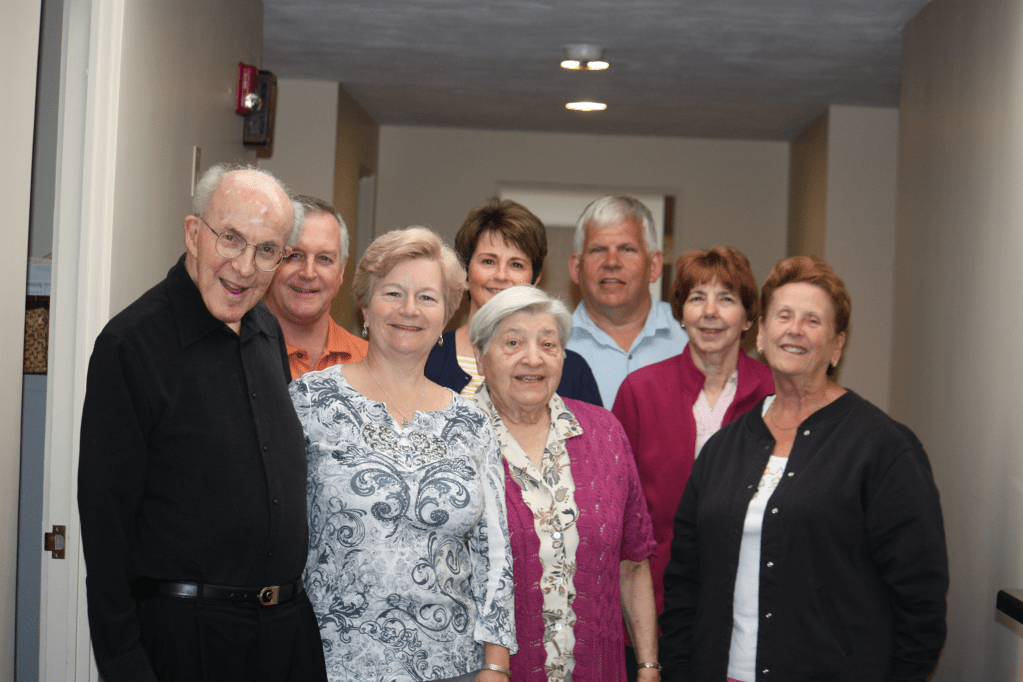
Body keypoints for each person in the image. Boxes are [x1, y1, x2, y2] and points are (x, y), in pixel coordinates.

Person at [77, 164, 327, 682]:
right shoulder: (130, 346)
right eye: (231, 239)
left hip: (284, 638)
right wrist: (122, 662)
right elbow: (105, 523)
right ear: (194, 234)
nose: (244, 267)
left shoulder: (266, 332)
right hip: (184, 643)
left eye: (266, 250)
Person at [659, 255, 948, 682]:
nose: (794, 329)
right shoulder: (724, 449)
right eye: (783, 316)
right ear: (761, 333)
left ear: (836, 345)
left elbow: (919, 598)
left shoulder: (884, 448)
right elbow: (685, 581)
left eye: (812, 320)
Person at [290, 227, 516, 682]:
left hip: (452, 667)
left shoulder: (471, 422)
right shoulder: (308, 401)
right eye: (393, 293)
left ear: (446, 315)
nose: (410, 309)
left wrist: (495, 667)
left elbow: (495, 556)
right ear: (365, 306)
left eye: (427, 298)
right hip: (330, 663)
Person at [470, 285, 659, 682]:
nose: (533, 358)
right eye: (513, 342)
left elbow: (633, 563)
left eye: (549, 344)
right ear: (480, 358)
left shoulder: (605, 432)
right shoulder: (454, 439)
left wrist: (647, 666)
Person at [613, 246, 774, 676]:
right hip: (659, 613)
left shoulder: (776, 394)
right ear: (680, 312)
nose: (710, 313)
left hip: (758, 611)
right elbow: (618, 514)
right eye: (697, 297)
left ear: (748, 317)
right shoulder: (639, 391)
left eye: (727, 299)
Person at [426, 197, 602, 405]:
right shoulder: (427, 357)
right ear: (465, 272)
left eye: (516, 265)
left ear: (535, 279)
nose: (501, 275)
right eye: (488, 261)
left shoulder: (572, 370)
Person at [567, 195, 688, 407]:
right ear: (576, 268)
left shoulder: (691, 336)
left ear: (654, 266)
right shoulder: (550, 344)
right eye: (598, 250)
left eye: (627, 249)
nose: (612, 263)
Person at [265, 194, 367, 379]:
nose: (308, 273)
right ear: (271, 258)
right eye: (295, 255)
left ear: (342, 269)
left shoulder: (368, 362)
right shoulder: (236, 352)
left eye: (324, 259)